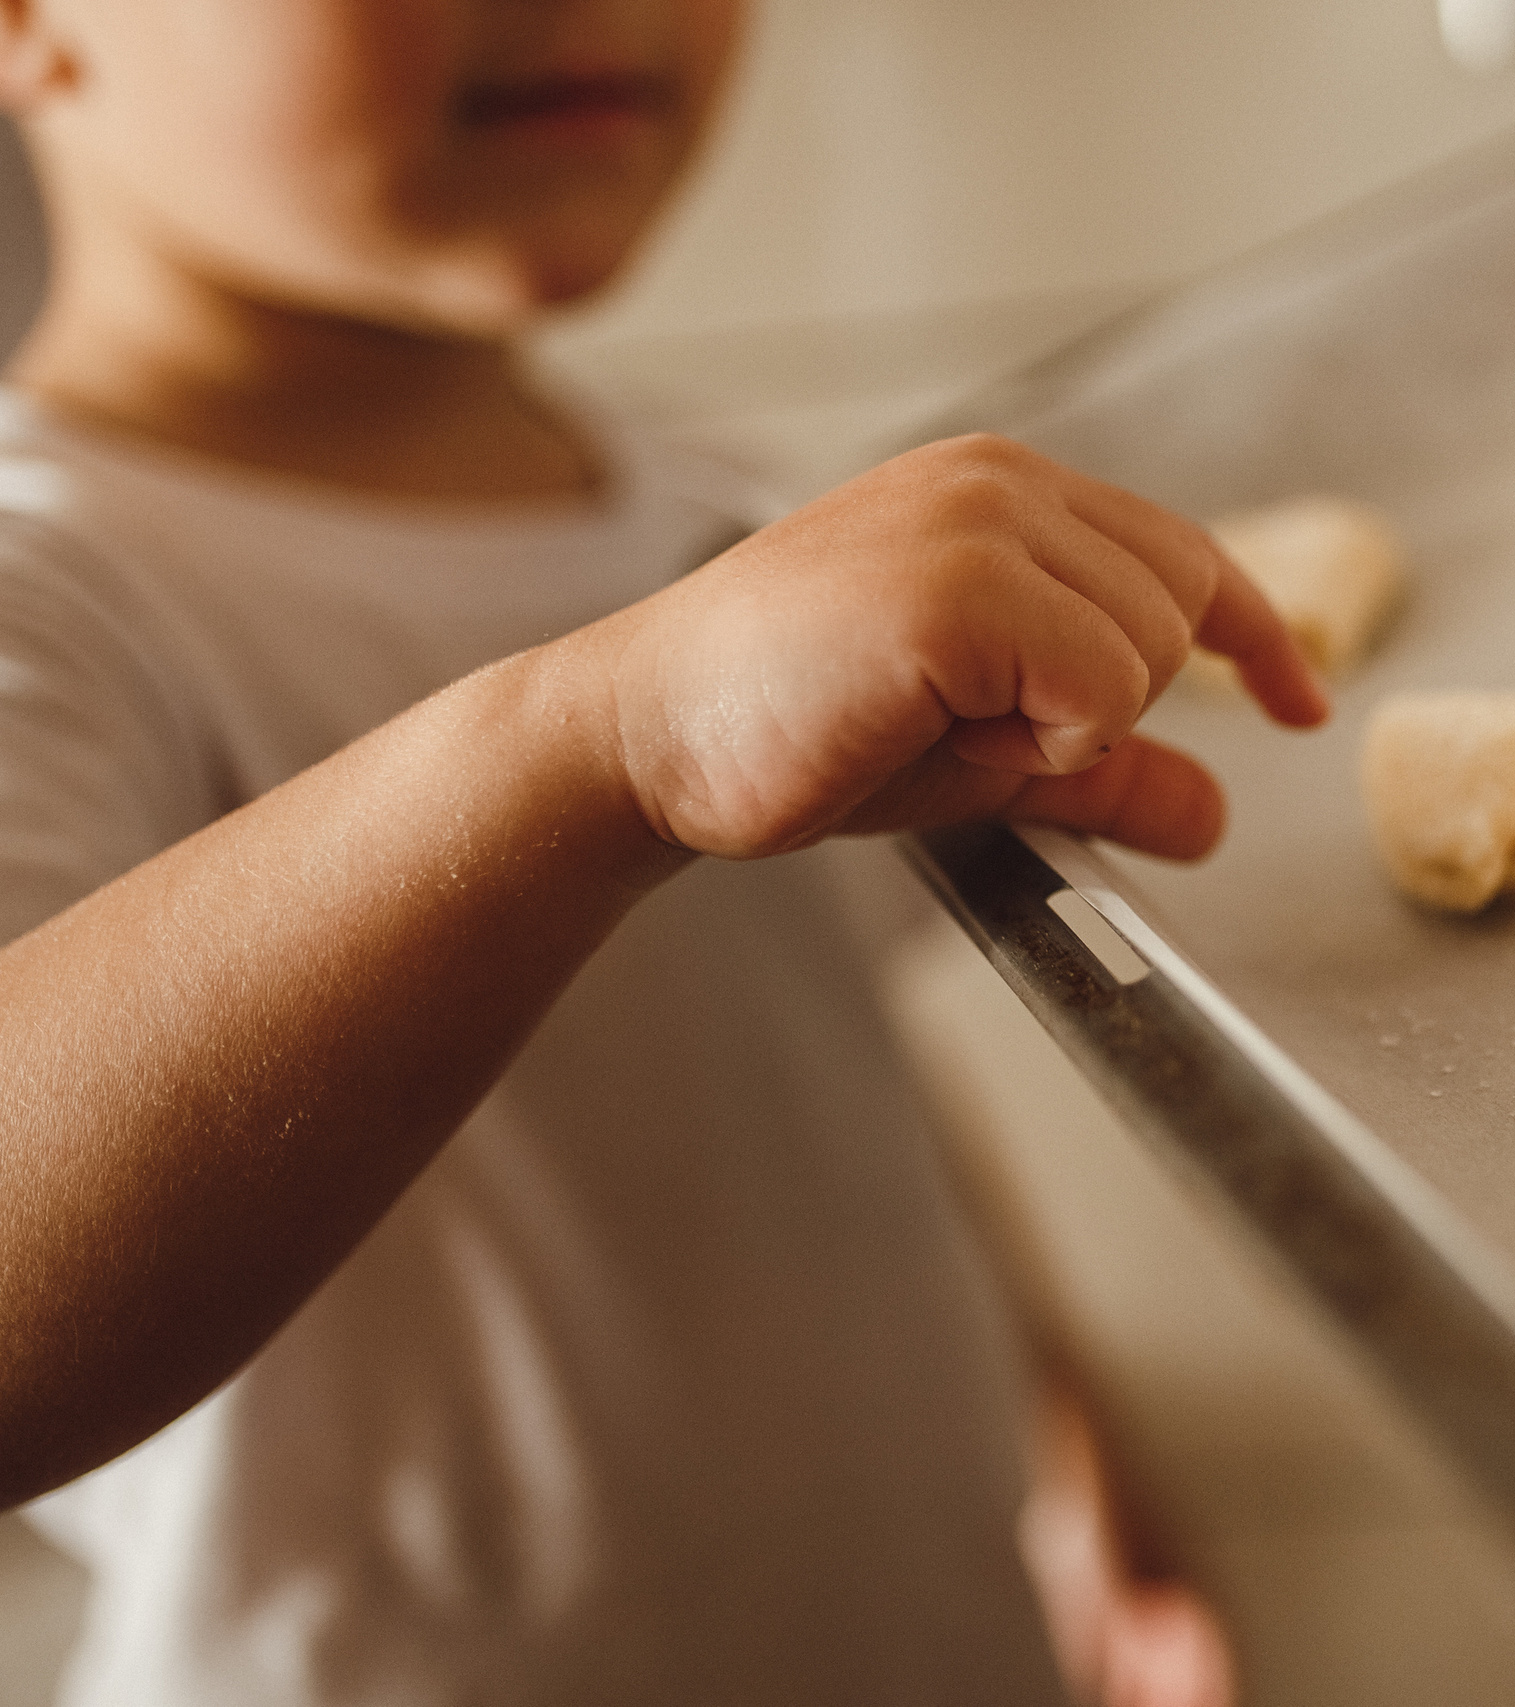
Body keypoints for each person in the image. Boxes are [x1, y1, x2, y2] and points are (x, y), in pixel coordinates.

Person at [0, 0, 1326, 1701]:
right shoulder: (51, 592)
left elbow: (807, 1080)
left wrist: (1073, 1465)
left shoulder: (705, 519)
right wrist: (599, 747)